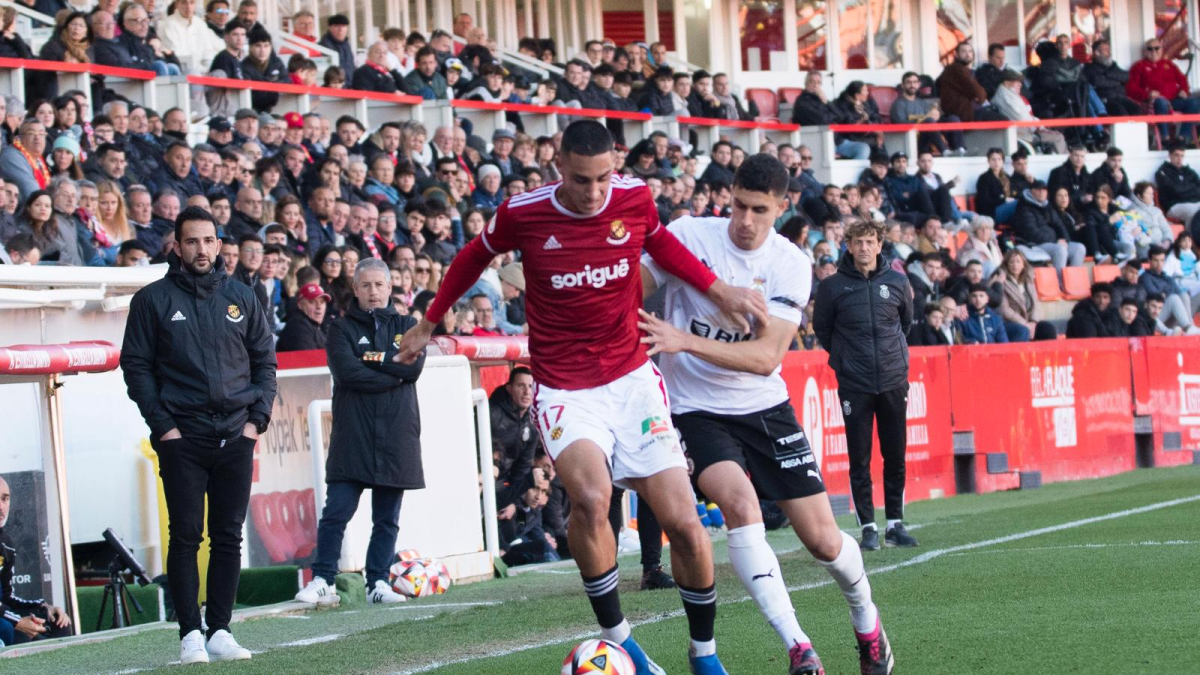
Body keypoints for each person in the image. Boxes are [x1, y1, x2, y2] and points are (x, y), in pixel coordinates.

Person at [396, 120, 771, 675]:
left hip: (632, 379)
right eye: (580, 179)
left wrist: (719, 289)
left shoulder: (635, 198)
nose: (594, 192)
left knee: (685, 523)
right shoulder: (525, 213)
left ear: (615, 167)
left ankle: (704, 655)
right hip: (565, 386)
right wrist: (429, 322)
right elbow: (474, 257)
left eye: (603, 178)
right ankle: (621, 641)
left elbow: (661, 244)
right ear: (557, 166)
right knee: (593, 500)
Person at [637, 154, 894, 675]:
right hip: (696, 411)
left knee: (822, 539)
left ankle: (867, 619)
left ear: (782, 206)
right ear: (727, 196)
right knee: (739, 504)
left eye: (759, 209)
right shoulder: (688, 234)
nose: (745, 221)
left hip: (765, 407)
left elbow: (765, 359)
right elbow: (632, 288)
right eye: (737, 206)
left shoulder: (790, 263)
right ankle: (799, 646)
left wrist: (683, 340)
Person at [120, 206, 276, 665]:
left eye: (209, 241)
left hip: (236, 436)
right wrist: (163, 426)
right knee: (185, 535)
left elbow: (266, 363)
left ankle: (221, 629)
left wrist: (255, 423)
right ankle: (190, 632)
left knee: (228, 536)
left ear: (219, 244)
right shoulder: (152, 301)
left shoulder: (242, 297)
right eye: (192, 241)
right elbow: (136, 368)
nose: (202, 249)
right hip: (182, 439)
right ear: (177, 245)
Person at [295, 258, 425, 606]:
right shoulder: (340, 328)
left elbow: (413, 369)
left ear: (389, 287)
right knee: (337, 511)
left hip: (396, 433)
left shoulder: (407, 324)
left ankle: (377, 583)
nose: (372, 291)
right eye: (365, 285)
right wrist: (391, 368)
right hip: (353, 433)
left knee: (387, 518)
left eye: (378, 285)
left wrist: (372, 360)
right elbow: (346, 372)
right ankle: (323, 579)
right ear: (355, 289)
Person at [813, 218, 915, 552]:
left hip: (892, 379)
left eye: (870, 242)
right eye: (857, 242)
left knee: (895, 455)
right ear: (849, 246)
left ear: (879, 244)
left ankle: (895, 524)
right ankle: (869, 526)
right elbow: (824, 332)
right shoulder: (832, 287)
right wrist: (845, 360)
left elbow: (905, 323)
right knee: (859, 457)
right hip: (854, 383)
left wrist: (892, 360)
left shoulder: (898, 282)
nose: (864, 248)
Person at [0, 476, 73, 646]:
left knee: (58, 622)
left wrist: (43, 607)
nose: (1, 507)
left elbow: (7, 597)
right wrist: (18, 622)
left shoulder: (6, 544)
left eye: (5, 498)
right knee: (6, 627)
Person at [1127, 37, 1200, 144]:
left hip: (1174, 100)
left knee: (1194, 102)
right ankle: (1165, 138)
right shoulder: (1138, 67)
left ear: (1161, 50)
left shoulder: (1169, 64)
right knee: (1161, 102)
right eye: (1150, 49)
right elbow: (1131, 89)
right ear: (1144, 51)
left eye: (1157, 48)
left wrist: (1183, 90)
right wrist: (1147, 94)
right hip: (1154, 103)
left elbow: (1182, 80)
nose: (1154, 51)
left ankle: (1183, 137)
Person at [490, 366, 540, 501]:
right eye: (521, 385)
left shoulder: (533, 423)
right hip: (483, 483)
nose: (527, 392)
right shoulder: (491, 413)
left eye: (530, 386)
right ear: (509, 388)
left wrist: (512, 502)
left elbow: (522, 468)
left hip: (505, 486)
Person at [991, 249, 1056, 341]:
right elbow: (1003, 309)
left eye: (1018, 262)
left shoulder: (1028, 279)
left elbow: (1035, 303)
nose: (1015, 265)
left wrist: (1033, 322)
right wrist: (1025, 324)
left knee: (1047, 328)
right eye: (1011, 262)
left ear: (1023, 264)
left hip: (1029, 322)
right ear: (1006, 264)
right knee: (1022, 331)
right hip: (1010, 322)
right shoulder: (1001, 280)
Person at [936, 42, 987, 122]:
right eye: (963, 51)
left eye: (970, 51)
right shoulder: (956, 69)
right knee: (1003, 120)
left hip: (966, 112)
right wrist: (979, 96)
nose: (967, 54)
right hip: (962, 115)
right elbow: (978, 92)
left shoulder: (967, 71)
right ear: (956, 54)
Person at [1154, 142, 1200, 226]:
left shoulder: (1189, 172)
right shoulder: (1162, 172)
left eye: (1182, 156)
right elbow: (1176, 191)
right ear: (1170, 155)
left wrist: (1183, 190)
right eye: (1176, 155)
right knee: (1193, 211)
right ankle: (1189, 237)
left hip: (1194, 202)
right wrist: (1192, 188)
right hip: (1174, 206)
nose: (1180, 159)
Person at [276, 282, 328, 351]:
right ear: (300, 305)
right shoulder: (298, 326)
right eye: (312, 302)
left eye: (322, 302)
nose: (319, 307)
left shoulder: (312, 324)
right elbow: (310, 359)